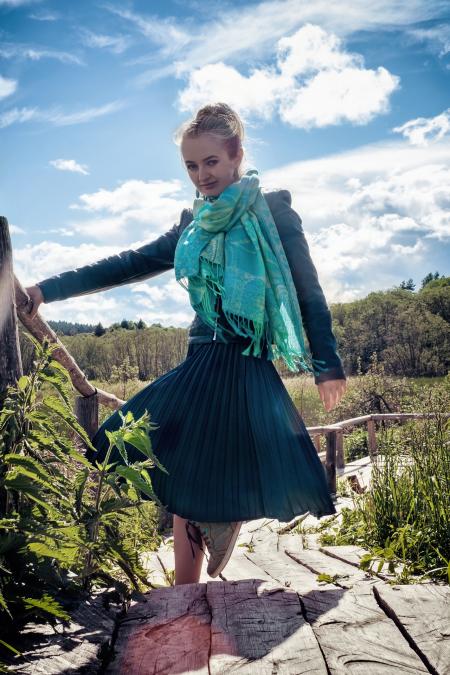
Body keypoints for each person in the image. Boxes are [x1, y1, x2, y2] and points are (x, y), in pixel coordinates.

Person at [25, 102, 347, 585]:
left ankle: (222, 519)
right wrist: (45, 290)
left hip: (246, 358)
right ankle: (185, 592)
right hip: (201, 354)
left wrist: (327, 364)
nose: (201, 175)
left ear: (236, 153)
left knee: (216, 464)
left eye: (211, 162)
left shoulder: (273, 211)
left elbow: (307, 290)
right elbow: (128, 262)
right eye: (191, 166)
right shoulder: (192, 224)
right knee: (171, 462)